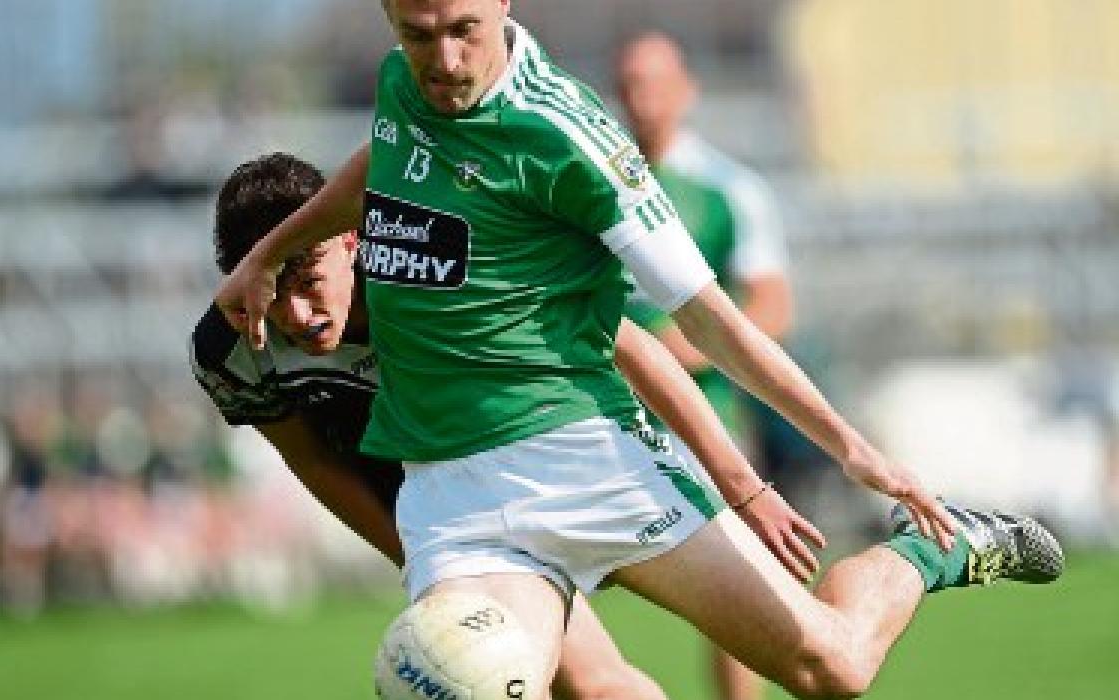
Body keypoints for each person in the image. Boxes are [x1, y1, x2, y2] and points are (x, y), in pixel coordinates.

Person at [215, 3, 1064, 698]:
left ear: (503, 4)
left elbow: (711, 321)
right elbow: (384, 161)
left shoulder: (569, 139)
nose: (442, 60)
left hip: (587, 459)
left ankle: (929, 551)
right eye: (417, 33)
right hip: (455, 500)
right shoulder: (404, 84)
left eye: (462, 30)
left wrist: (850, 450)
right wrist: (266, 256)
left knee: (831, 668)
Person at [194, 152, 820, 698]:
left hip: (555, 457)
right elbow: (313, 460)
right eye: (270, 294)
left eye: (309, 281)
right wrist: (415, 557)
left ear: (350, 240)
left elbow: (626, 343)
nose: (296, 315)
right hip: (453, 515)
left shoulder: (434, 260)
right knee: (561, 684)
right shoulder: (232, 349)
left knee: (813, 663)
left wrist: (742, 486)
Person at [616, 32, 798, 700]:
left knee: (736, 586)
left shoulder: (729, 190)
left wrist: (685, 348)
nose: (641, 98)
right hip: (600, 410)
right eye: (629, 84)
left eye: (654, 82)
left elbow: (773, 306)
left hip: (704, 415)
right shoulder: (593, 182)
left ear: (687, 90)